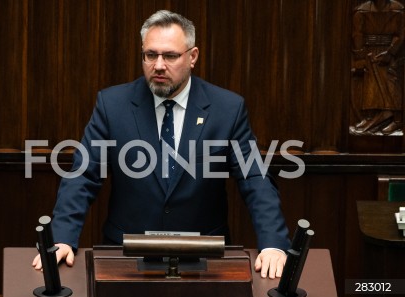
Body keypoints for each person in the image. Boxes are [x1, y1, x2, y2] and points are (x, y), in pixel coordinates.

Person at [33, 10, 290, 279]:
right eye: (150, 55)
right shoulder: (113, 105)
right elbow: (83, 176)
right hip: (126, 257)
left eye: (170, 56)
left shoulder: (227, 108)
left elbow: (255, 177)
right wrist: (62, 238)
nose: (158, 65)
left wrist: (274, 244)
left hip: (205, 258)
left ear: (192, 57)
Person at [350, 0, 405, 135]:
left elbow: (401, 34)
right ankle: (370, 116)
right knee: (371, 86)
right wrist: (361, 56)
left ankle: (395, 119)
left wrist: (391, 52)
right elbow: (357, 34)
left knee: (391, 84)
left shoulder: (398, 10)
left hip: (390, 54)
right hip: (370, 52)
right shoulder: (361, 11)